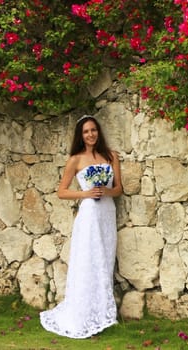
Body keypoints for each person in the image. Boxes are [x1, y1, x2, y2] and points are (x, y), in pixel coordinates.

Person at [40, 115, 123, 339]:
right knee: (89, 261)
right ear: (81, 135)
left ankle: (103, 314)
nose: (90, 134)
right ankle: (84, 316)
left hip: (106, 213)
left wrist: (106, 191)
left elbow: (118, 189)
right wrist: (85, 193)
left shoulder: (110, 156)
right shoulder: (75, 160)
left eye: (93, 130)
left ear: (98, 132)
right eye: (86, 131)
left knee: (104, 261)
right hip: (89, 214)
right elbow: (62, 191)